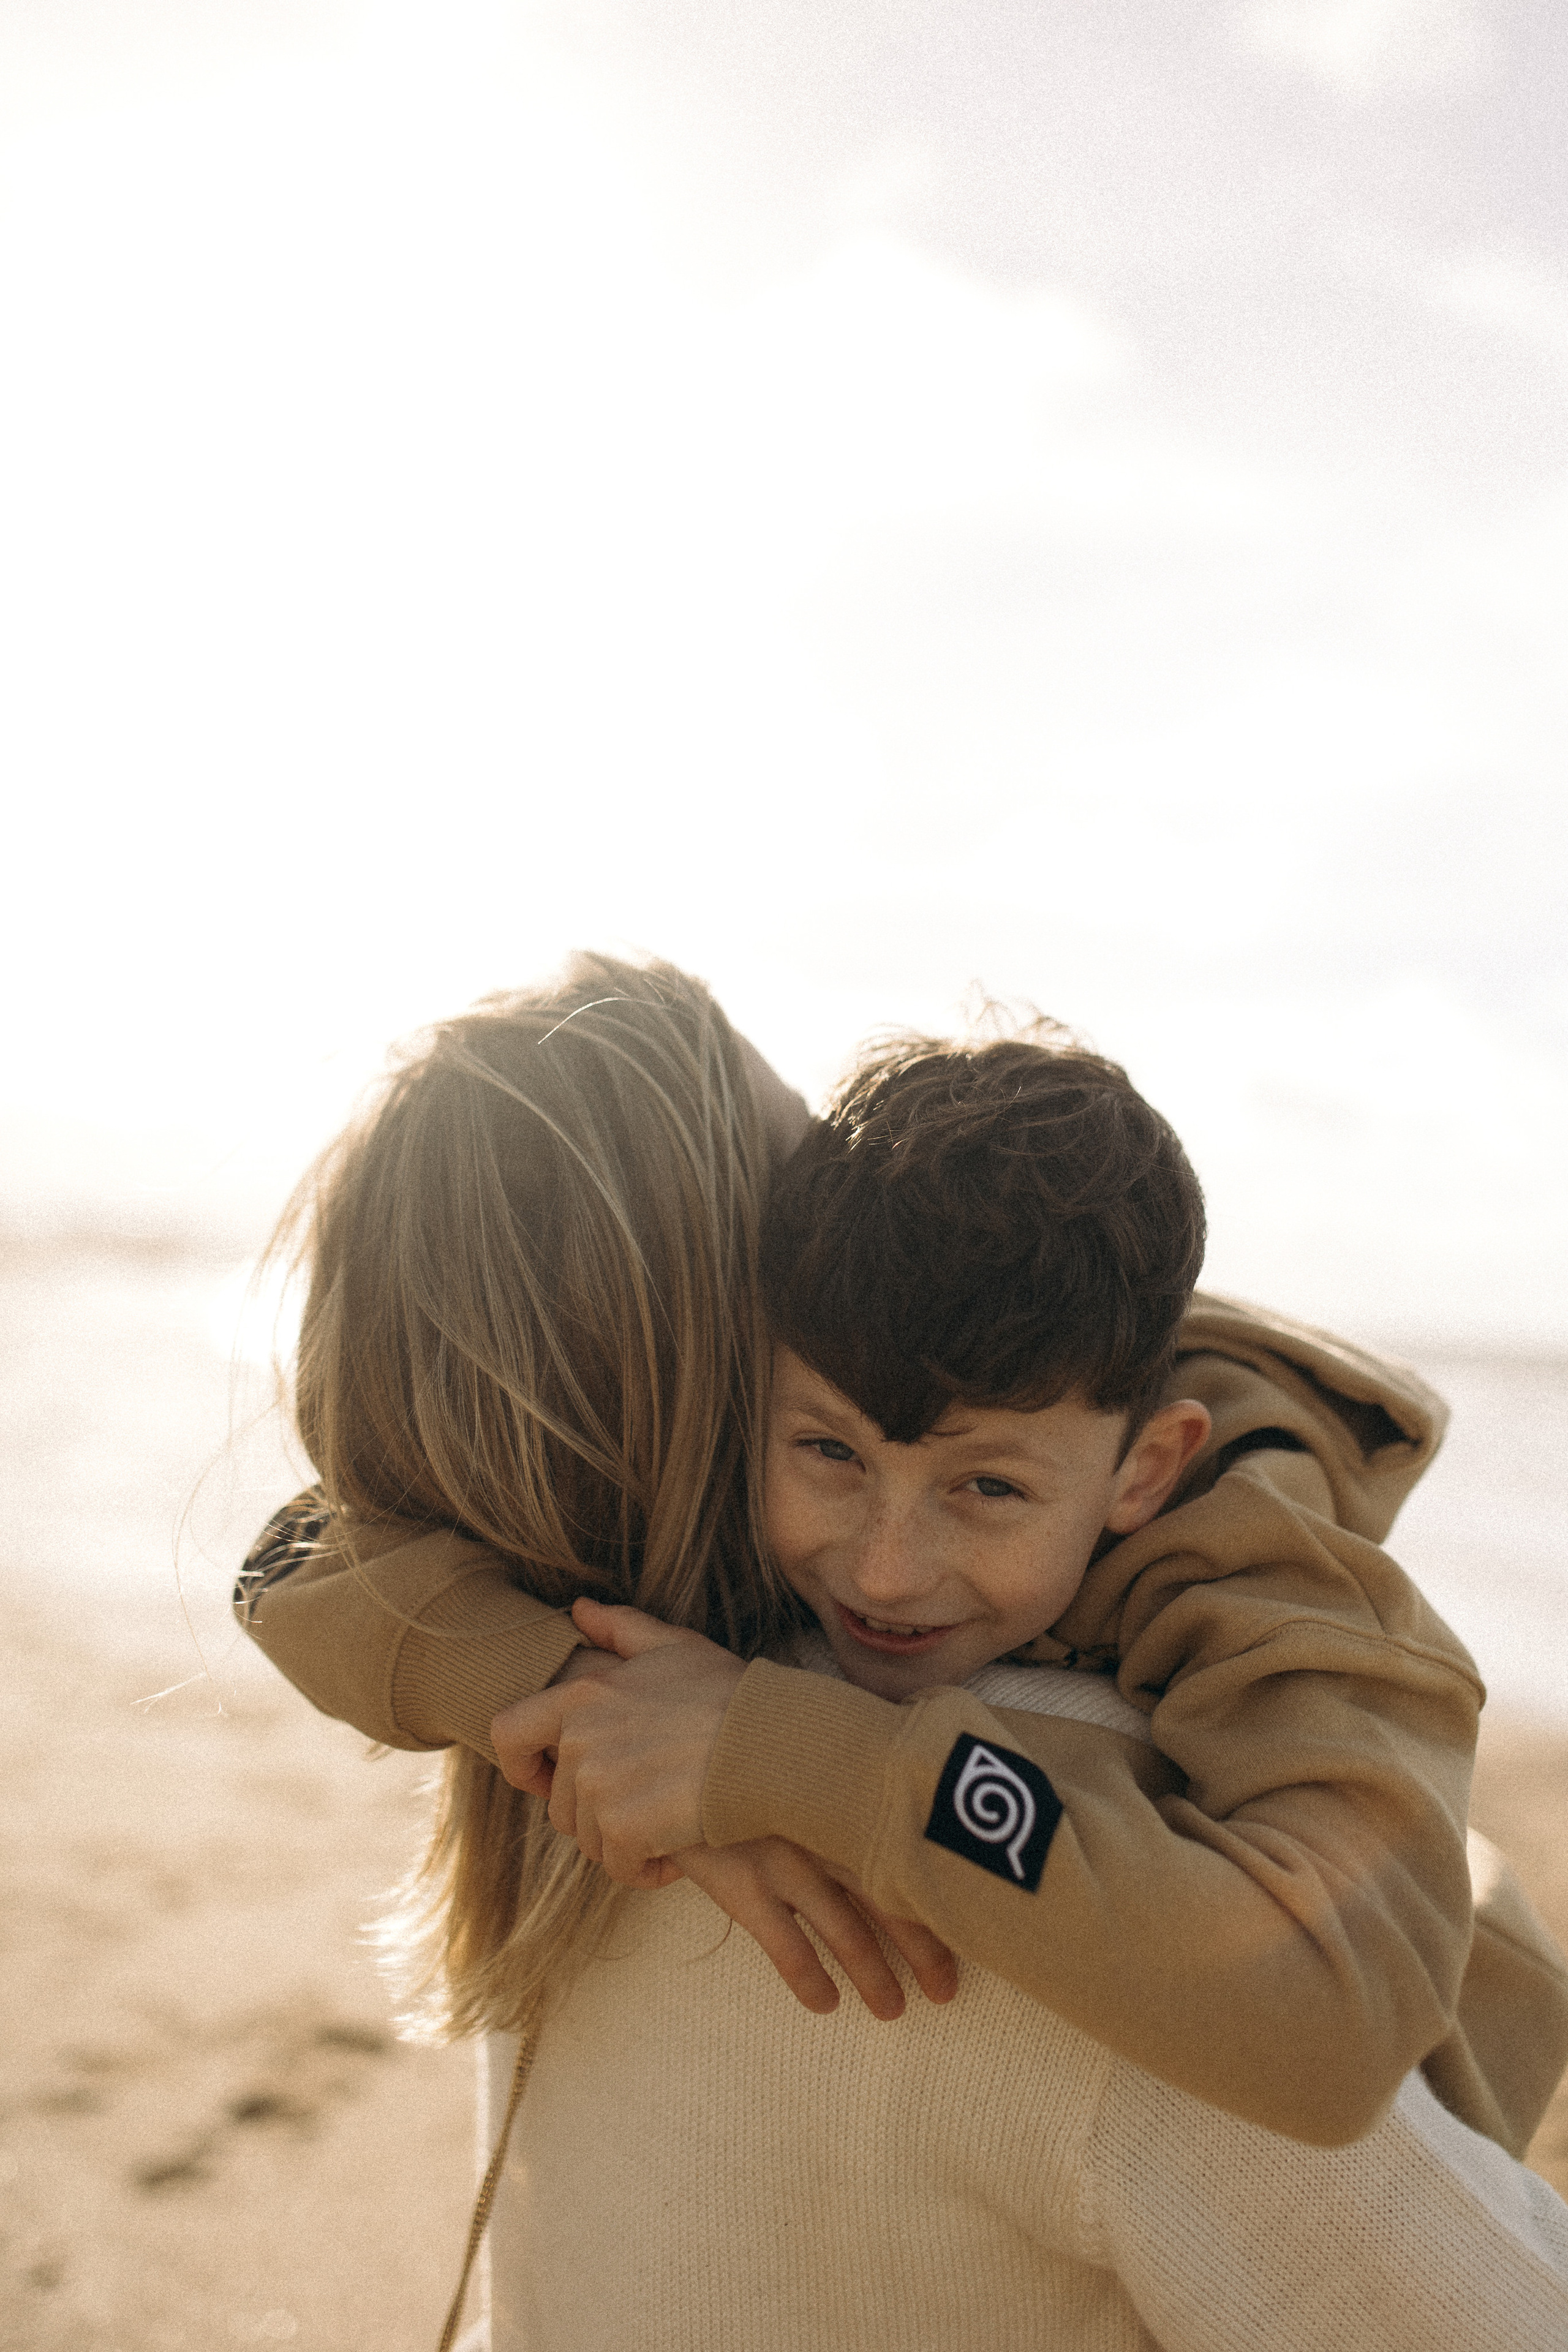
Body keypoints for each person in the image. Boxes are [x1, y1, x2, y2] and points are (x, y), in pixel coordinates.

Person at [236, 956, 1568, 2348]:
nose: (882, 1567)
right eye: (823, 1440)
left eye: (987, 1485)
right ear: (758, 1344)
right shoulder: (1058, 1907)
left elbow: (301, 1557)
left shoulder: (546, 1758)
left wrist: (568, 1693)